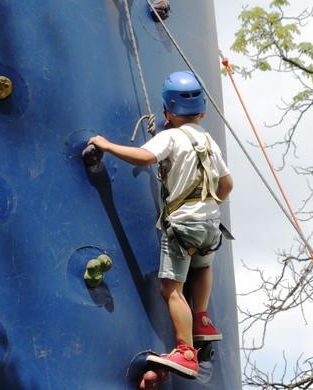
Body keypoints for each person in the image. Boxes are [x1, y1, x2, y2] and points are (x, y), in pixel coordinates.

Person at [88, 71, 233, 379]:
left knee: (172, 289)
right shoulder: (209, 142)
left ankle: (185, 352)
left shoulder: (170, 136)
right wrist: (209, 204)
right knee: (202, 267)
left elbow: (143, 158)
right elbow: (227, 185)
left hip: (183, 225)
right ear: (203, 112)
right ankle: (202, 319)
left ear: (168, 111)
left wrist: (107, 145)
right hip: (210, 224)